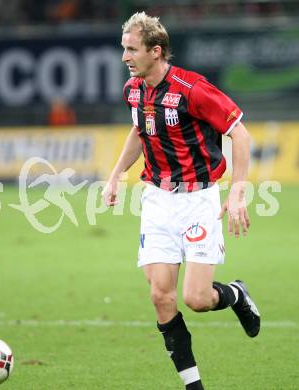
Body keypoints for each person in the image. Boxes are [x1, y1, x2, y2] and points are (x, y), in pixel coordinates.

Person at [102, 12, 260, 390]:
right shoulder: (134, 90)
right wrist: (115, 173)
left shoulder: (192, 89)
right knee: (160, 295)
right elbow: (140, 131)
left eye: (131, 49)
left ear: (156, 51)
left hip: (198, 199)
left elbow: (241, 136)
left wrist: (237, 189)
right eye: (123, 48)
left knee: (197, 299)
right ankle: (194, 386)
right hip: (157, 199)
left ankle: (236, 294)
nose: (125, 56)